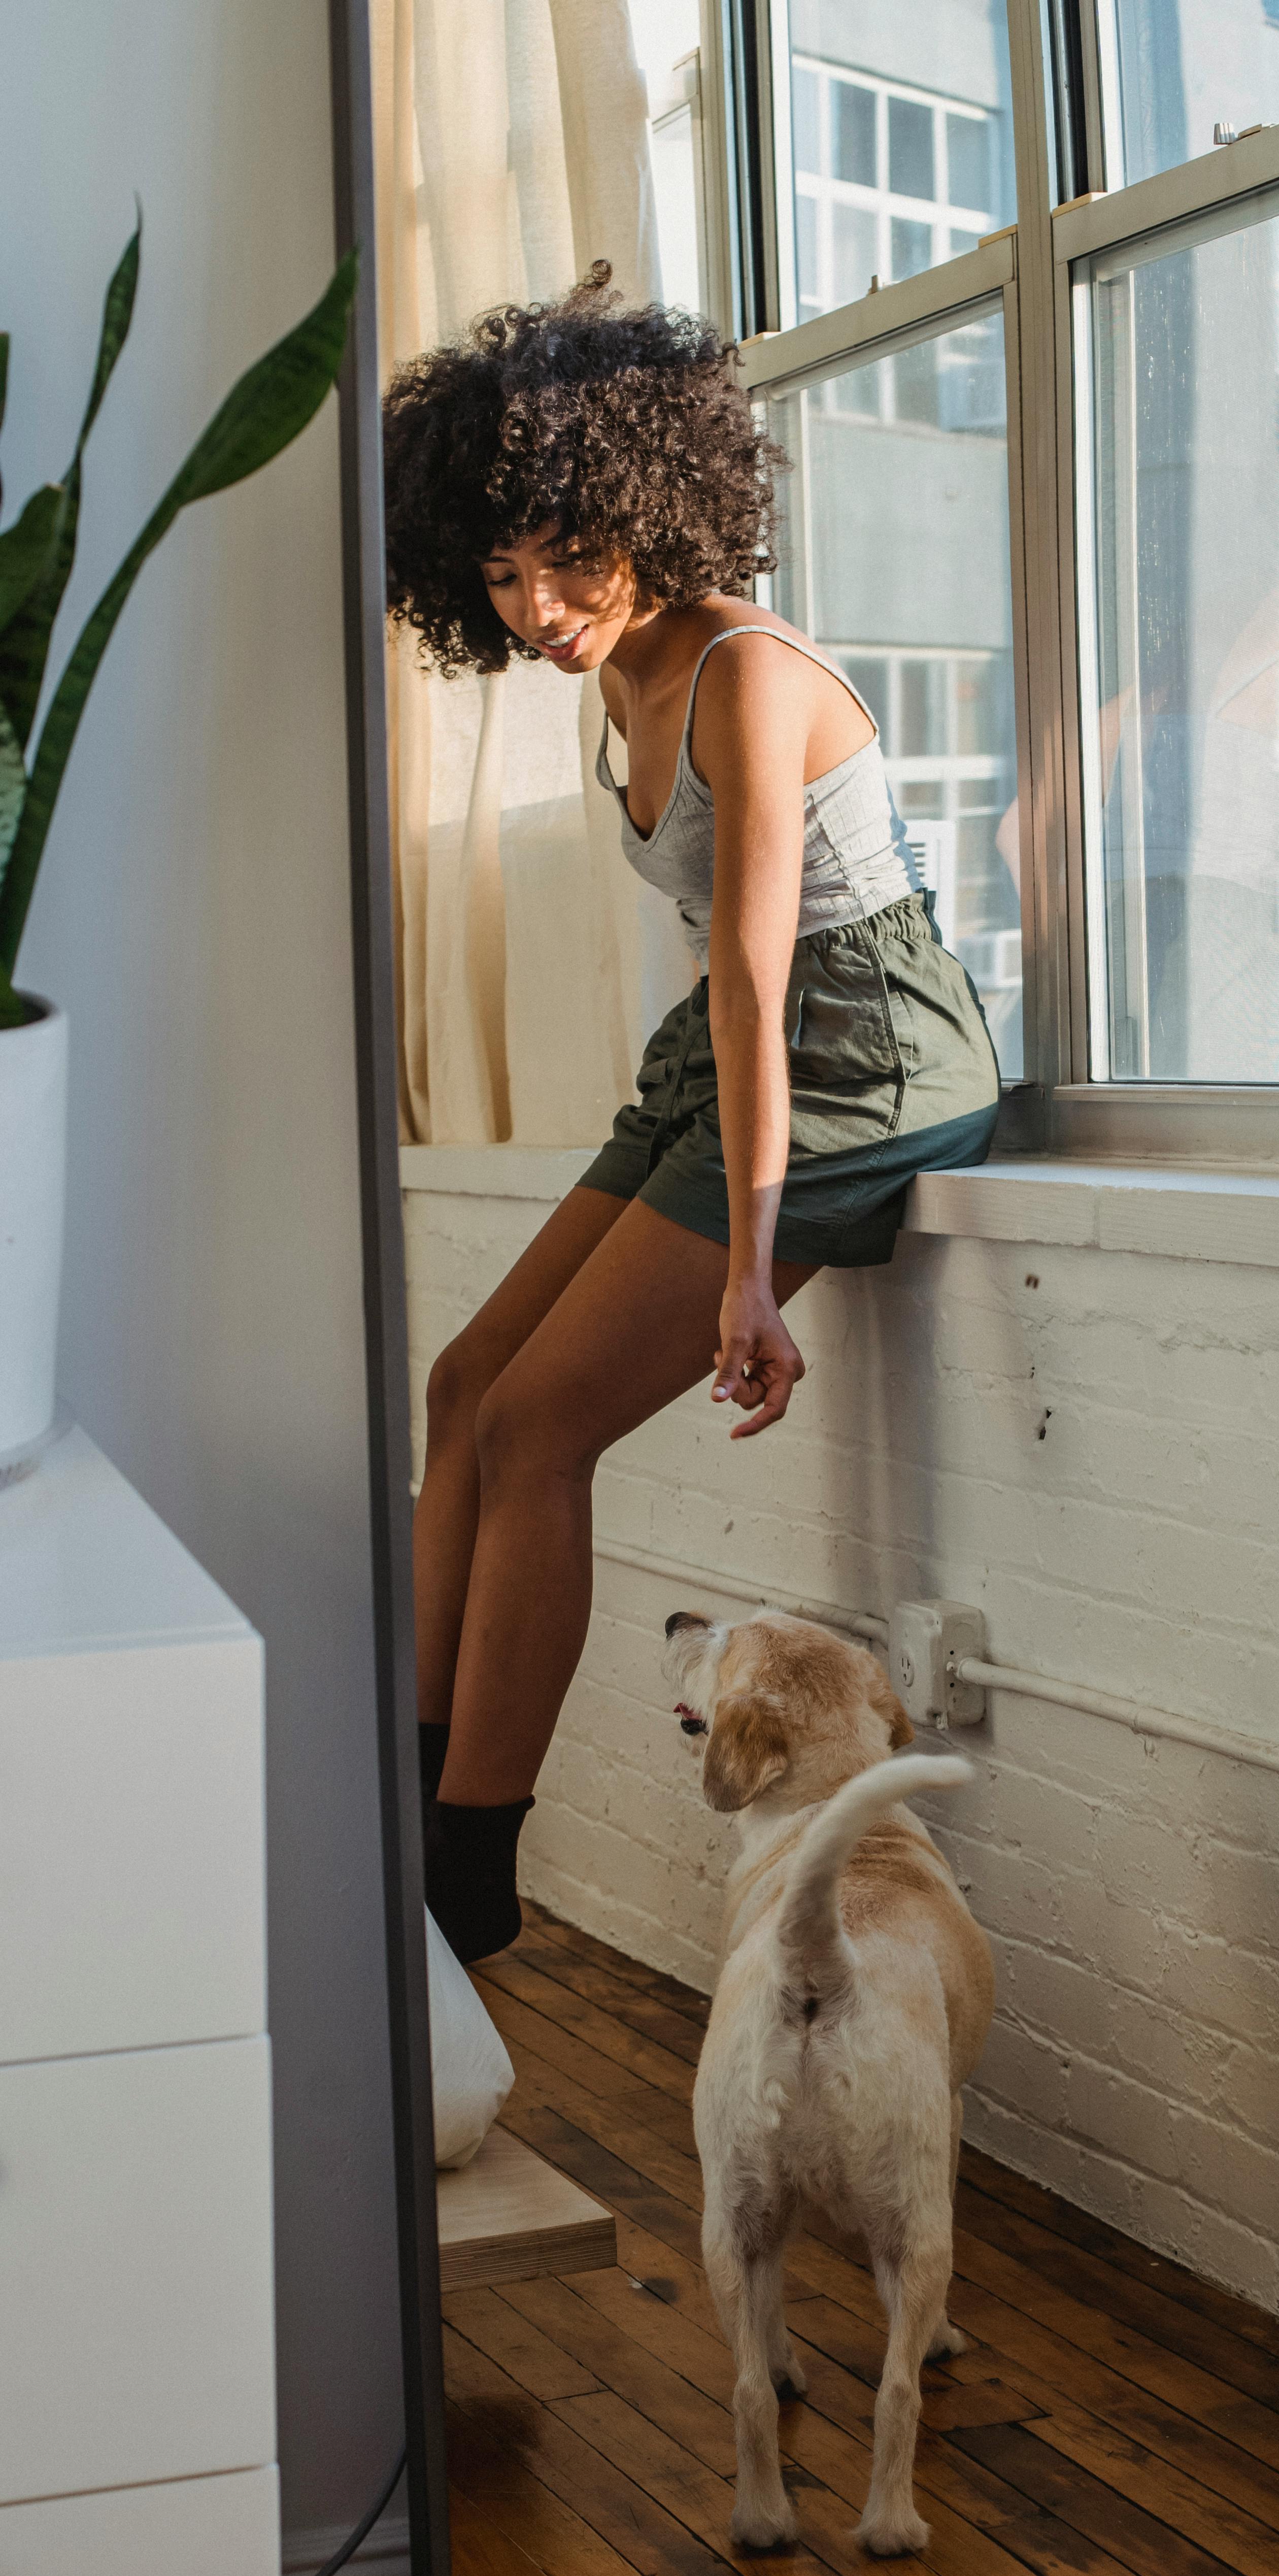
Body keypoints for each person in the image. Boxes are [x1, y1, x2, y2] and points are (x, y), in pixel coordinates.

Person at [383, 270, 1000, 1965]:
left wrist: (747, 1267)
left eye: (567, 556)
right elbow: (717, 1004)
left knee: (540, 1428)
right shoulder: (613, 665)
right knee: (461, 1388)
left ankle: (466, 1868)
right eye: (500, 573)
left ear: (652, 507)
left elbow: (755, 972)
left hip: (864, 1053)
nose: (538, 605)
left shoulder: (741, 667)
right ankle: (402, 1797)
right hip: (725, 1048)